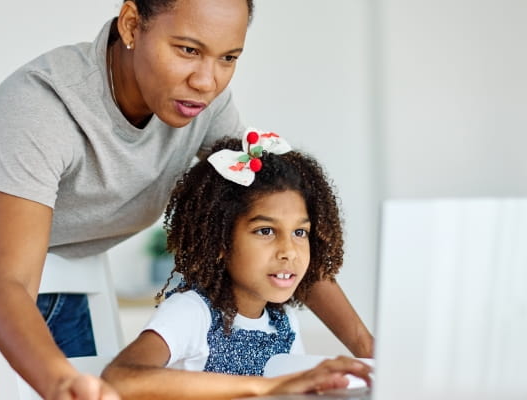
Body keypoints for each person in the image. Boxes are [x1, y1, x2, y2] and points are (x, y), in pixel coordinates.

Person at [0, 0, 373, 399]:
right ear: (131, 25)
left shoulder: (206, 109)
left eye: (228, 58)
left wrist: (371, 355)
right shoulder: (43, 107)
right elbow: (9, 285)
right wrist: (62, 383)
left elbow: (270, 220)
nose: (207, 81)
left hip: (68, 287)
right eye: (188, 50)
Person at [101, 132, 371, 399]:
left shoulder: (283, 322)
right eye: (265, 231)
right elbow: (118, 378)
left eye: (300, 233)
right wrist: (264, 387)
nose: (289, 252)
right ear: (219, 241)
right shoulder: (193, 312)